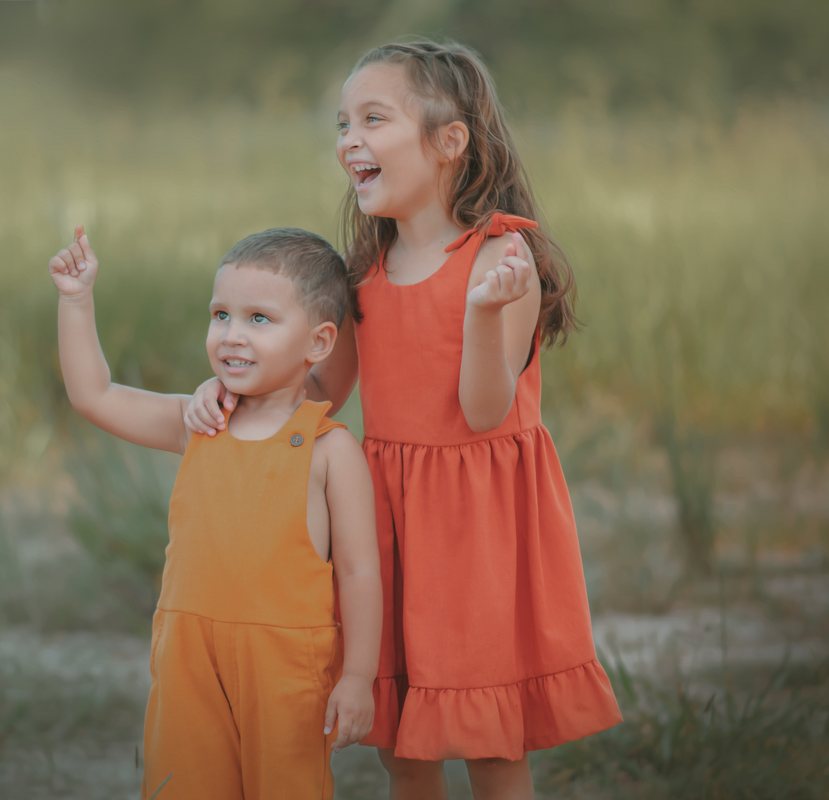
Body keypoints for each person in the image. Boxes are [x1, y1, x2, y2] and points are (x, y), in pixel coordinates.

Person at [184, 40, 622, 800]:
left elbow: (485, 413)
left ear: (450, 142)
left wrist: (483, 314)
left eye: (373, 119)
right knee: (404, 746)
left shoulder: (499, 260)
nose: (349, 140)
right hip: (389, 520)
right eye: (342, 124)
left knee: (490, 743)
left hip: (480, 527)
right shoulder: (366, 271)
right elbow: (320, 390)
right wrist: (233, 388)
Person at [50, 224, 383, 799]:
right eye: (220, 315)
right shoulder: (199, 421)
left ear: (319, 342)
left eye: (259, 319)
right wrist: (76, 300)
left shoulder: (330, 449)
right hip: (188, 657)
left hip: (284, 667)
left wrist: (357, 678)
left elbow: (359, 572)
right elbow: (94, 396)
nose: (231, 334)